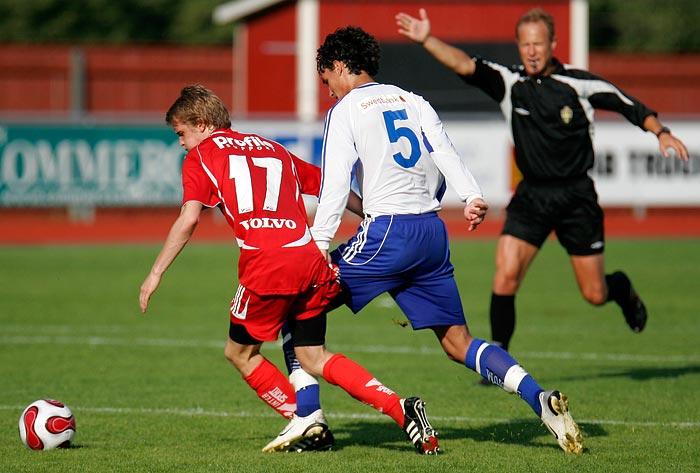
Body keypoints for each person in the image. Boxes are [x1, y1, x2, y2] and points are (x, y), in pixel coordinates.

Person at [303, 25, 584, 455]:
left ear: (340, 67)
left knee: (297, 303)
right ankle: (539, 398)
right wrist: (471, 194)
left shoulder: (346, 111)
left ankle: (310, 418)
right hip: (432, 235)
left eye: (327, 80)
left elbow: (336, 184)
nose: (328, 91)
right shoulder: (414, 100)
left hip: (387, 236)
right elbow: (445, 152)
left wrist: (320, 244)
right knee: (459, 343)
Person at [138, 84, 440, 455]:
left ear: (201, 124)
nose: (181, 143)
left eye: (181, 133)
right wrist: (377, 217)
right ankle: (400, 409)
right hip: (311, 260)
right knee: (314, 355)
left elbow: (188, 219)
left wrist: (155, 273)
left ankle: (305, 418)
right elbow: (333, 187)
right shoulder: (272, 147)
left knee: (240, 354)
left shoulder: (201, 158)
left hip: (267, 266)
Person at [395, 7, 690, 354]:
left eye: (538, 43)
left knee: (594, 293)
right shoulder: (510, 83)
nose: (532, 51)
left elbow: (628, 104)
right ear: (519, 47)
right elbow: (464, 65)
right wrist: (427, 38)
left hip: (576, 196)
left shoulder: (578, 84)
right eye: (525, 44)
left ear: (552, 43)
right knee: (505, 273)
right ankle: (497, 358)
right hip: (531, 195)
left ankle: (621, 289)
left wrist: (661, 132)